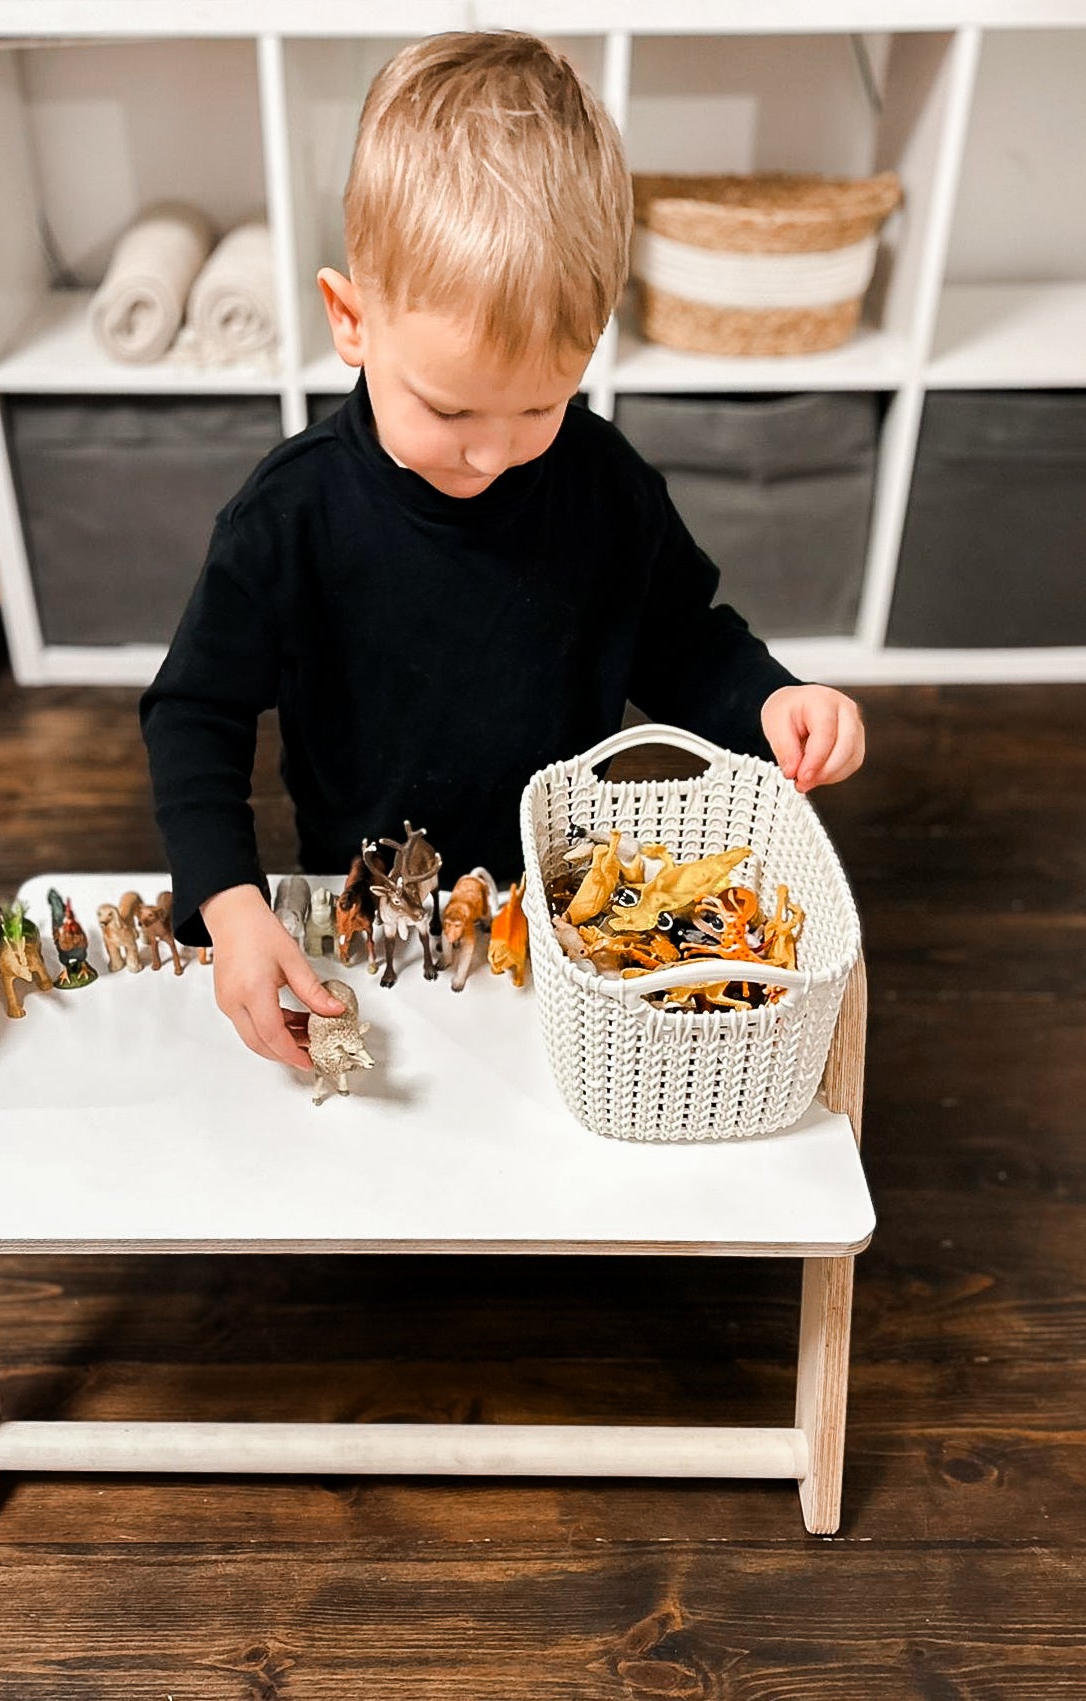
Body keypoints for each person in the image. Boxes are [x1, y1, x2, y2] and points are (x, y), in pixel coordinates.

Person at [140, 30, 865, 1074]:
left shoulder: (605, 485)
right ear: (351, 319)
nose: (490, 452)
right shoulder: (290, 516)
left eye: (540, 406)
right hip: (364, 896)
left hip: (556, 906)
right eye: (448, 408)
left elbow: (683, 640)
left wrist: (771, 700)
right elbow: (193, 711)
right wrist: (229, 903)